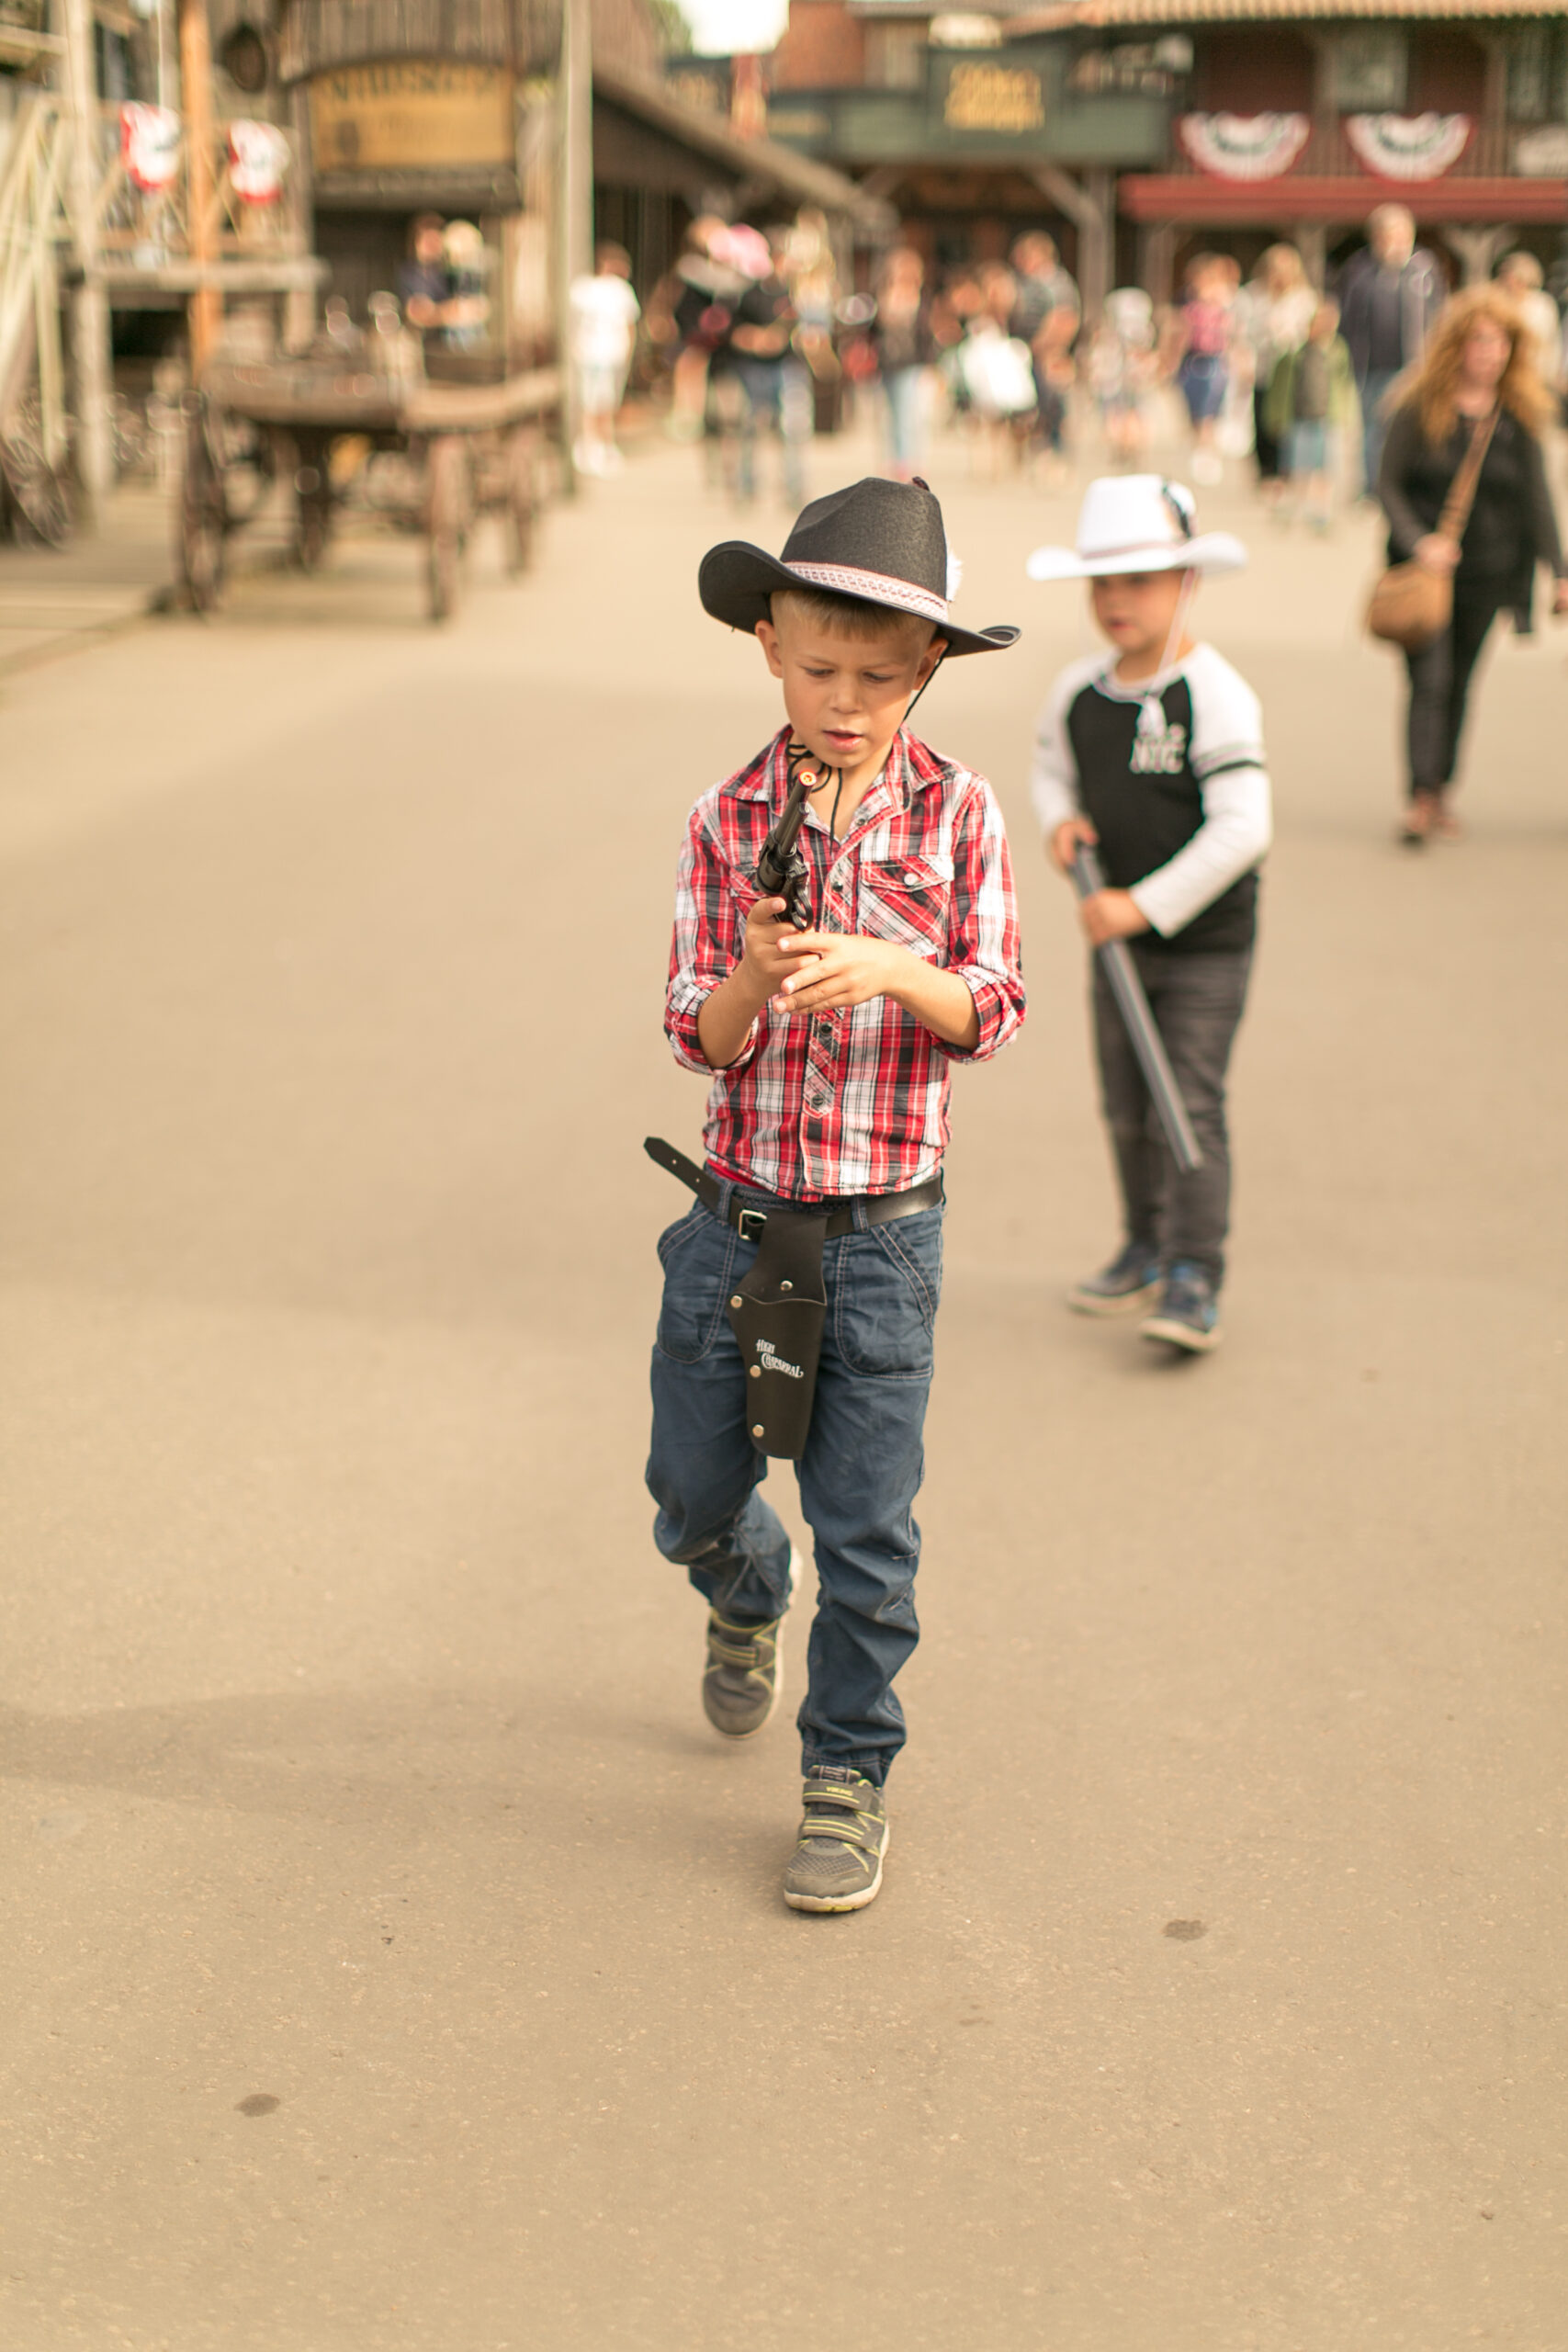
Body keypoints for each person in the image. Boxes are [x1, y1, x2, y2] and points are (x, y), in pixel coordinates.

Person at [648, 477, 1024, 1912]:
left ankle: (846, 1777)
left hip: (883, 1239)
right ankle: (742, 1584)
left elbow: (991, 1003)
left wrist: (889, 971)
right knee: (687, 1489)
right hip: (731, 1215)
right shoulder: (723, 813)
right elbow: (699, 1031)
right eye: (819, 669)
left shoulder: (959, 815)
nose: (846, 701)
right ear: (766, 646)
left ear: (926, 667)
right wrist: (755, 966)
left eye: (878, 676)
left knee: (865, 1535)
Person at [1027, 476, 1271, 1352]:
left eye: (1140, 581)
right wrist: (1060, 823)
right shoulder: (1078, 693)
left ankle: (1193, 1267)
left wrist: (1141, 905)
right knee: (1126, 1104)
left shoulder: (1212, 693)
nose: (1117, 600)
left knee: (1186, 1102)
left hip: (1204, 948)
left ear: (1186, 584)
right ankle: (1142, 1242)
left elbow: (1243, 827)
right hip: (1116, 946)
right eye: (1103, 583)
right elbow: (1051, 768)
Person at [1375, 284, 1568, 844]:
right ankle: (1420, 795)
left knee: (1460, 682)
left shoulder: (1520, 416)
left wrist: (1559, 571)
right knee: (1429, 681)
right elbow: (1388, 486)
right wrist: (1420, 542)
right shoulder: (1418, 407)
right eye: (1481, 341)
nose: (1491, 353)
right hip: (1427, 575)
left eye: (1502, 343)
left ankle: (1442, 788)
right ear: (1456, 345)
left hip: (1492, 571)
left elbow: (1538, 499)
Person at [1337, 204, 1445, 493]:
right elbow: (1346, 320)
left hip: (1414, 367)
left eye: (1399, 234)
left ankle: (1412, 486)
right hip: (1371, 368)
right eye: (1387, 235)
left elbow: (1439, 315)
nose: (1393, 241)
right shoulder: (1360, 271)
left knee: (1415, 429)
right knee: (1372, 431)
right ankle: (1373, 488)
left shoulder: (1423, 270)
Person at [1264, 299, 1355, 531]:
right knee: (1298, 468)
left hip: (1327, 417)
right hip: (1300, 417)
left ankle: (1322, 513)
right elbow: (1281, 388)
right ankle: (1293, 510)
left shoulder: (1337, 351)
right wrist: (1277, 418)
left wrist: (1346, 418)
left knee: (1325, 469)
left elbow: (1345, 385)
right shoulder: (1297, 352)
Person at [1235, 244, 1317, 499]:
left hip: (1291, 371)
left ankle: (1286, 471)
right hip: (1262, 367)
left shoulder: (1302, 298)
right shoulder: (1253, 296)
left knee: (1287, 423)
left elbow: (1310, 332)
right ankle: (1266, 472)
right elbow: (1241, 332)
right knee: (1261, 420)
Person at [868, 245, 939, 481]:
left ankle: (909, 464)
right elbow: (875, 330)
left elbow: (926, 336)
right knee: (891, 416)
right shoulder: (883, 297)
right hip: (887, 364)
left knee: (909, 416)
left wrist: (931, 367)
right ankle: (896, 461)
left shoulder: (921, 297)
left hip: (912, 365)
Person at [1173, 254, 1235, 485]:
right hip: (1192, 359)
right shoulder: (1187, 303)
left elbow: (1231, 332)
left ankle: (1208, 456)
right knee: (1194, 410)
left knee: (1210, 410)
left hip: (1214, 359)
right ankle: (1200, 452)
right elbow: (1181, 332)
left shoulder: (1223, 302)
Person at [1495, 251, 1562, 390]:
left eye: (1511, 275)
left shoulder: (1543, 305)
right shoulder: (1500, 303)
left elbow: (1553, 341)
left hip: (1539, 375)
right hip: (1509, 375)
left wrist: (1554, 374)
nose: (1507, 280)